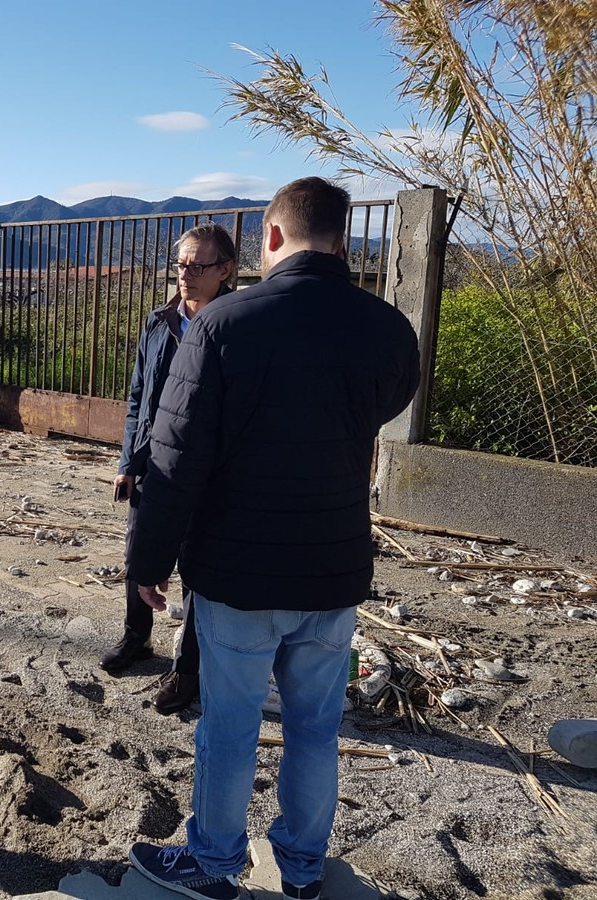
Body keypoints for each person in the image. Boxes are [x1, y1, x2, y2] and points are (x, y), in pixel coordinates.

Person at [124, 178, 420, 900]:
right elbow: (385, 406)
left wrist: (149, 560)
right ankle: (304, 868)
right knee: (316, 728)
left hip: (239, 572)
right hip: (333, 568)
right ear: (342, 241)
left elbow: (175, 459)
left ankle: (214, 864)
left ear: (273, 238)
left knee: (229, 725)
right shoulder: (387, 328)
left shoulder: (222, 325)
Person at [101, 223, 239, 718]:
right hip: (153, 464)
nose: (186, 274)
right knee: (139, 553)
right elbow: (138, 396)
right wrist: (127, 462)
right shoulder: (159, 321)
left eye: (198, 265)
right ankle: (136, 637)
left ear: (226, 270)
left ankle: (188, 669)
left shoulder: (235, 326)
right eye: (181, 264)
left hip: (207, 472)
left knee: (196, 568)